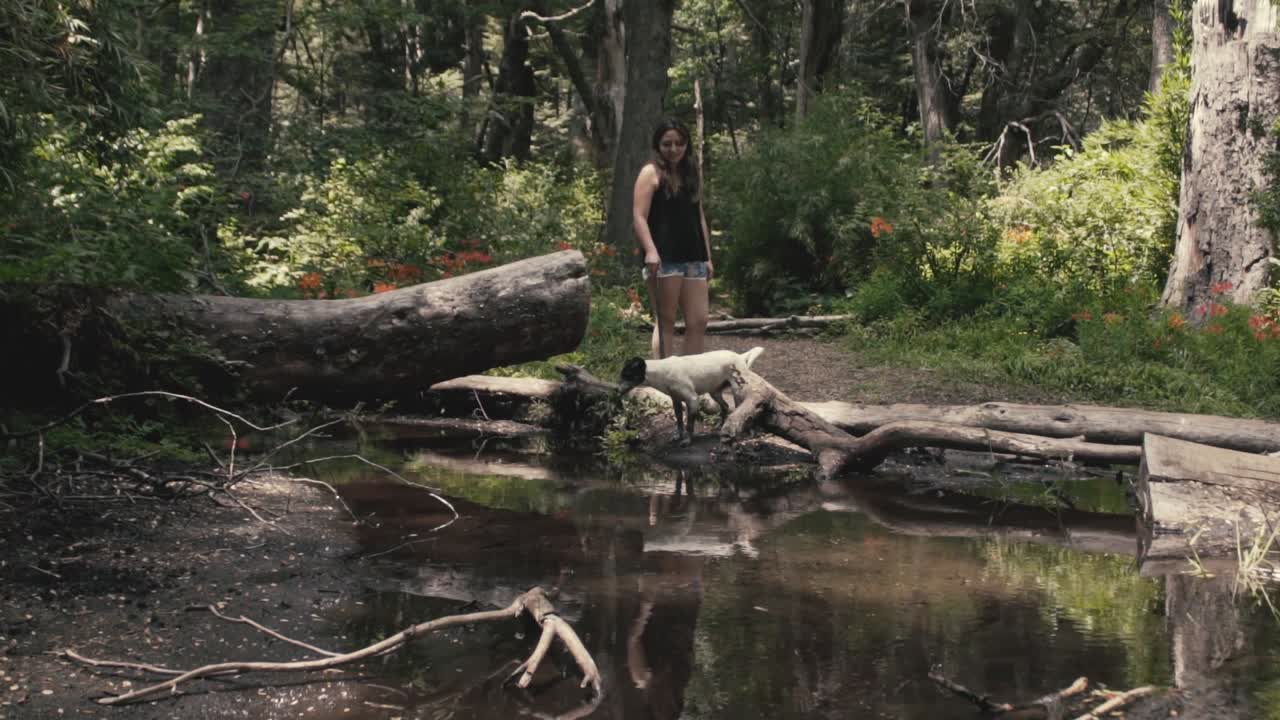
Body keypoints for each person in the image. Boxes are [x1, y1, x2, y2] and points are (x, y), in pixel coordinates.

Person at [632, 118, 714, 359]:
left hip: (693, 255)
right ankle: (664, 384)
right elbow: (638, 216)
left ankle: (692, 381)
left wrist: (707, 256)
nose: (674, 149)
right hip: (664, 257)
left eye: (679, 143)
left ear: (686, 144)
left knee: (699, 320)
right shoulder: (650, 172)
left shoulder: (690, 172)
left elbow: (699, 216)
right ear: (658, 145)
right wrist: (650, 250)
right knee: (666, 320)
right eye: (667, 144)